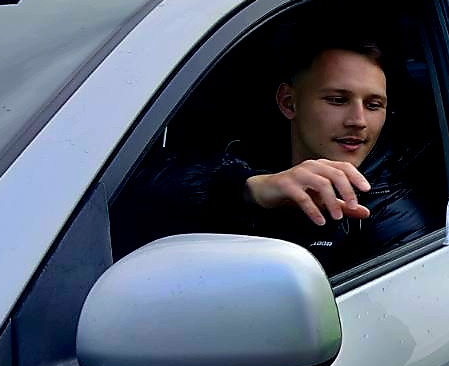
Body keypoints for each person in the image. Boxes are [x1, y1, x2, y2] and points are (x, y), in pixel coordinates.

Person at [128, 38, 430, 274]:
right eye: (338, 100)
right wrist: (246, 189)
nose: (358, 120)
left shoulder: (389, 215)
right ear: (288, 102)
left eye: (374, 105)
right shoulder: (242, 157)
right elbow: (132, 202)